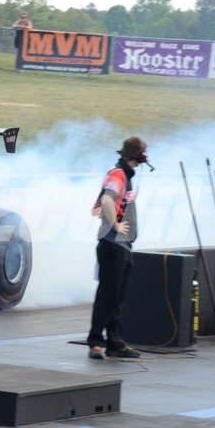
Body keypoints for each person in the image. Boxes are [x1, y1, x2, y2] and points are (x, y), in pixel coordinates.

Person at [87, 137, 149, 359]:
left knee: (118, 297)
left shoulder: (124, 174)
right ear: (140, 155)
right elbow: (106, 201)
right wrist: (115, 225)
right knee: (108, 295)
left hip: (122, 245)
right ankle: (96, 342)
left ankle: (115, 342)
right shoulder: (118, 174)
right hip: (113, 244)